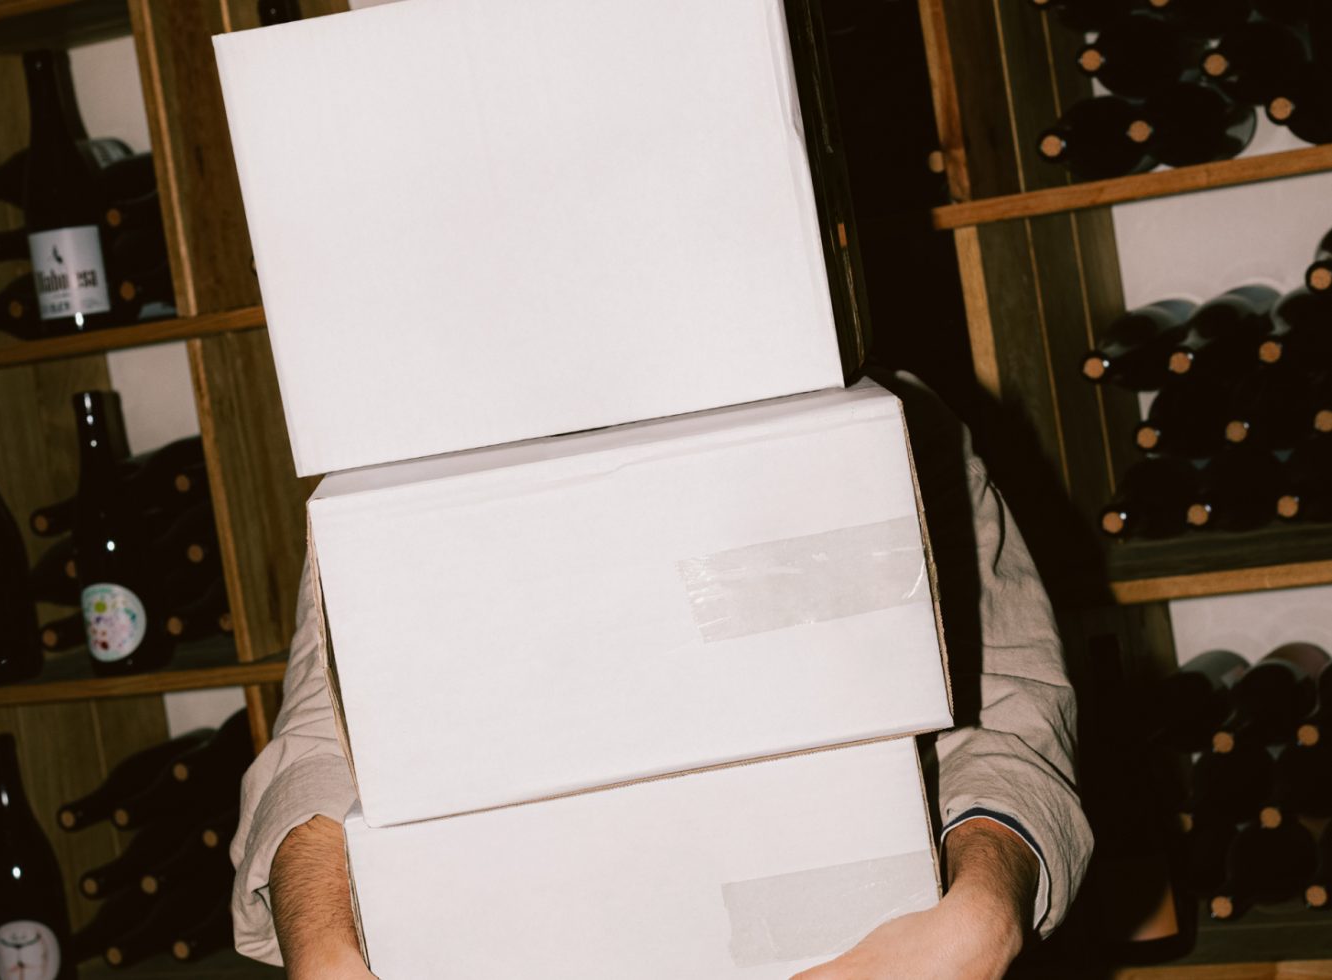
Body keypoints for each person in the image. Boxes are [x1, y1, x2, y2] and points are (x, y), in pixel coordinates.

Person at [229, 370, 1094, 979]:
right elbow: (319, 746)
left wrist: (982, 911)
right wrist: (324, 951)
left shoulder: (885, 429)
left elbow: (1012, 718)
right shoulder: (394, 490)